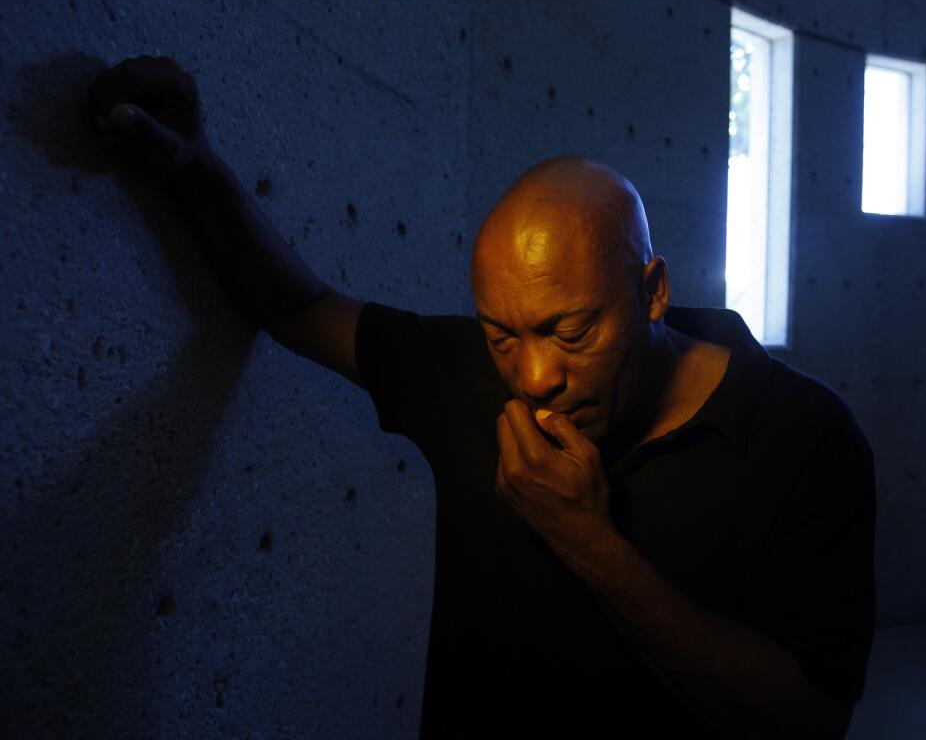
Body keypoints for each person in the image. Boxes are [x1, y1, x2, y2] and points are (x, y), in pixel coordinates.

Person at [89, 55, 876, 740]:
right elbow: (298, 307)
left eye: (572, 331)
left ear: (653, 292)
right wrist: (193, 165)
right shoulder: (471, 374)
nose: (534, 379)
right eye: (503, 334)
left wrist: (591, 545)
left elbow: (807, 720)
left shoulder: (798, 435)